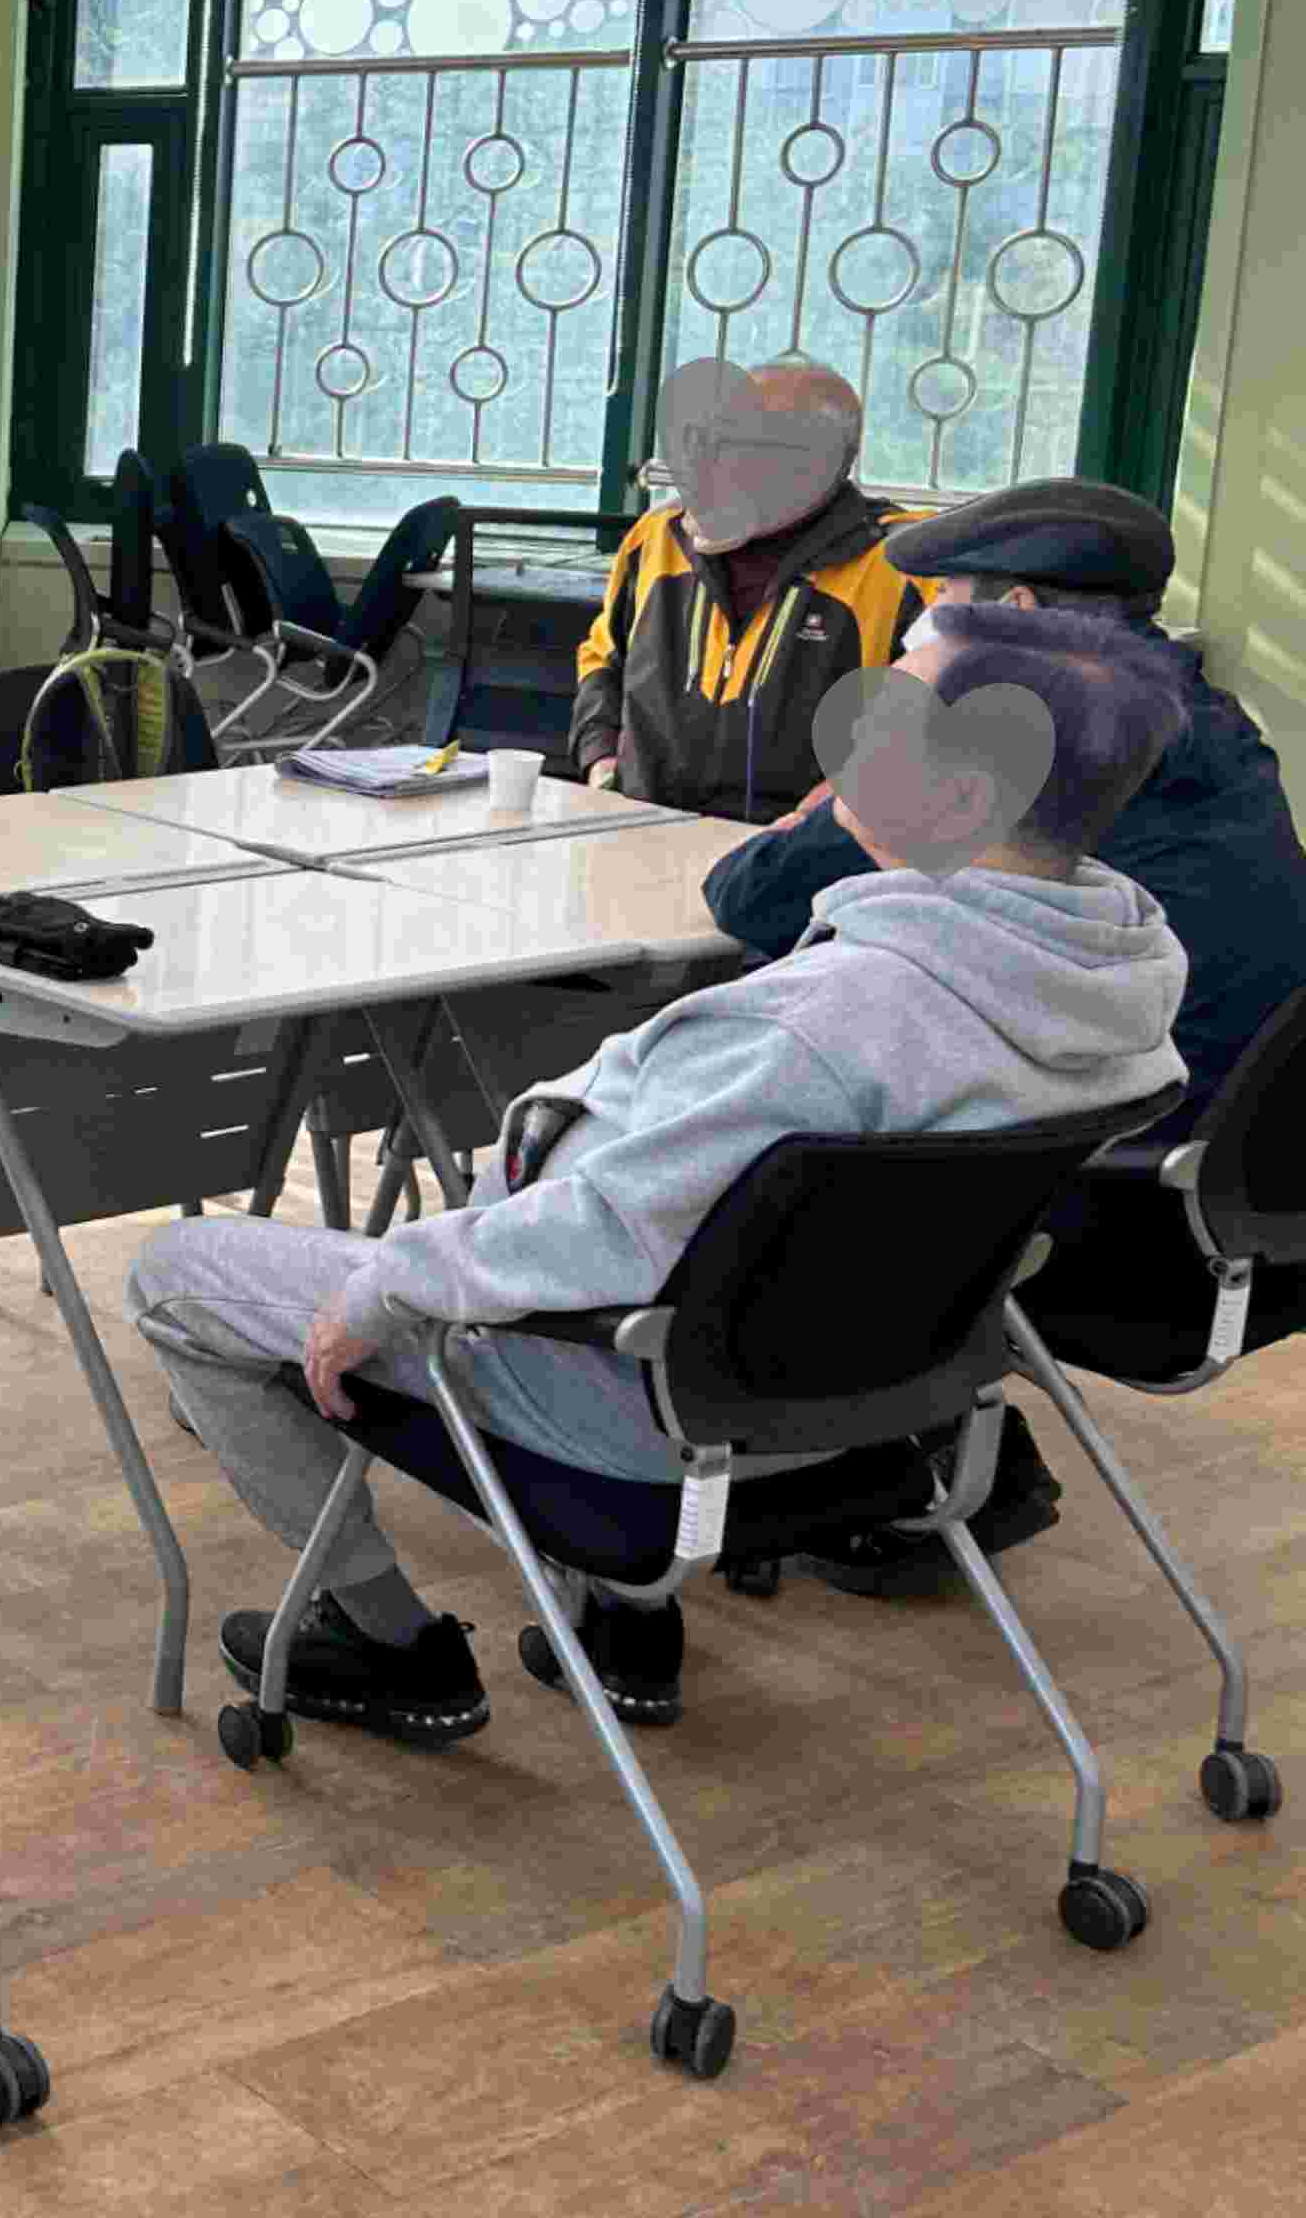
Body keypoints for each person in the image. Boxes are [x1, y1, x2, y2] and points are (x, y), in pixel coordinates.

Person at [131, 604, 1190, 1747]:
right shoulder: (1111, 996)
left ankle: (385, 1641)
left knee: (178, 1275)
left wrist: (382, 1288)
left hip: (646, 1405)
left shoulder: (821, 1027)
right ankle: (622, 1620)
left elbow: (601, 1235)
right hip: (876, 1403)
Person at [701, 477, 1306, 1592]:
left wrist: (839, 803)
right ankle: (947, 1457)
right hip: (1245, 1215)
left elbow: (750, 896)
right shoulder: (1209, 728)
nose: (921, 630)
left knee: (764, 1135)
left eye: (940, 603)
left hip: (1105, 1218)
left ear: (1014, 613)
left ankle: (870, 1467)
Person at [572, 358, 930, 821]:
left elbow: (935, 721)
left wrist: (828, 813)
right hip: (639, 828)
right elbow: (604, 656)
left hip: (803, 850)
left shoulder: (908, 562)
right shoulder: (657, 535)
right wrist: (601, 761)